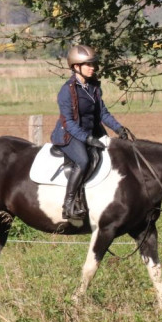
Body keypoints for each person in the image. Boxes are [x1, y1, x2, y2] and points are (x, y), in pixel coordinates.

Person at [50, 44, 132, 220]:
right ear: (76, 67)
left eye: (94, 64)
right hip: (69, 135)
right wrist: (87, 139)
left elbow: (102, 113)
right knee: (83, 159)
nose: (93, 68)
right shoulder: (67, 90)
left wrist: (118, 128)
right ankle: (69, 204)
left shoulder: (93, 87)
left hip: (91, 132)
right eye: (88, 64)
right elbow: (69, 122)